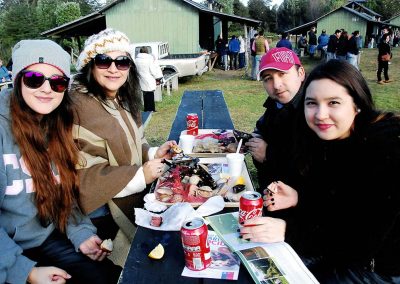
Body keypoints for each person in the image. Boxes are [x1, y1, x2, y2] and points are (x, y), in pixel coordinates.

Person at [241, 59, 400, 283]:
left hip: (375, 270)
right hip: (340, 253)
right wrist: (300, 197)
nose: (320, 114)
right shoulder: (329, 138)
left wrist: (288, 232)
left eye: (333, 102)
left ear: (357, 104)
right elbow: (340, 203)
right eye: (312, 103)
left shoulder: (387, 145)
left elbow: (360, 240)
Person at [0, 39, 121, 284]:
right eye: (34, 78)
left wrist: (81, 233)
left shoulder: (58, 124)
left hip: (46, 236)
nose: (46, 89)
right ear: (17, 80)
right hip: (7, 250)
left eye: (57, 82)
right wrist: (26, 273)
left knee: (110, 277)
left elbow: (64, 193)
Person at [72, 28, 176, 241]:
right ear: (89, 66)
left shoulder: (123, 98)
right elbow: (82, 176)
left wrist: (154, 154)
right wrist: (140, 176)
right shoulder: (77, 107)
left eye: (122, 62)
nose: (114, 69)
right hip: (100, 216)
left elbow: (134, 143)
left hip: (134, 200)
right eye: (103, 61)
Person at [245, 47, 305, 190]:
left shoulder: (313, 110)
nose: (276, 85)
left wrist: (269, 155)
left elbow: (313, 168)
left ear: (301, 73)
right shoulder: (276, 104)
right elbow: (261, 128)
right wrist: (245, 141)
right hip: (269, 191)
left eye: (282, 74)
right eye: (268, 78)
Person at [135, 46, 163, 112]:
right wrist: (157, 76)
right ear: (147, 51)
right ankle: (151, 109)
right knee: (150, 94)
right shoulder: (149, 59)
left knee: (145, 94)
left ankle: (146, 108)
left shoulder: (136, 60)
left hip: (141, 78)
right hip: (149, 78)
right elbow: (152, 70)